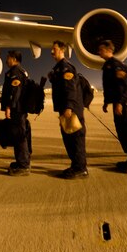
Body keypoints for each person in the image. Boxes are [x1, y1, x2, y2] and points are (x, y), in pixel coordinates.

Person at [97, 40, 127, 174]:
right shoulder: (108, 66)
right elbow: (109, 86)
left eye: (100, 49)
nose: (98, 52)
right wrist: (107, 102)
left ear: (108, 50)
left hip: (125, 105)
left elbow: (123, 86)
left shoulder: (116, 65)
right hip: (118, 104)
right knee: (122, 133)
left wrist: (119, 103)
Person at [48, 40, 87, 179]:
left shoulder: (66, 67)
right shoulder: (58, 68)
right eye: (52, 49)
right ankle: (75, 165)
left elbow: (71, 89)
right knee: (69, 139)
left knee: (76, 139)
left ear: (62, 50)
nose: (52, 52)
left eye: (55, 49)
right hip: (64, 109)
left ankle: (81, 169)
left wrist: (69, 107)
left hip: (71, 109)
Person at [0, 50, 31, 176]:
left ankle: (23, 165)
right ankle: (22, 161)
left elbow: (15, 93)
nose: (6, 60)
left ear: (13, 59)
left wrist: (9, 107)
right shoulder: (21, 71)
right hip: (20, 109)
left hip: (17, 109)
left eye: (8, 57)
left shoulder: (15, 73)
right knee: (20, 135)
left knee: (19, 136)